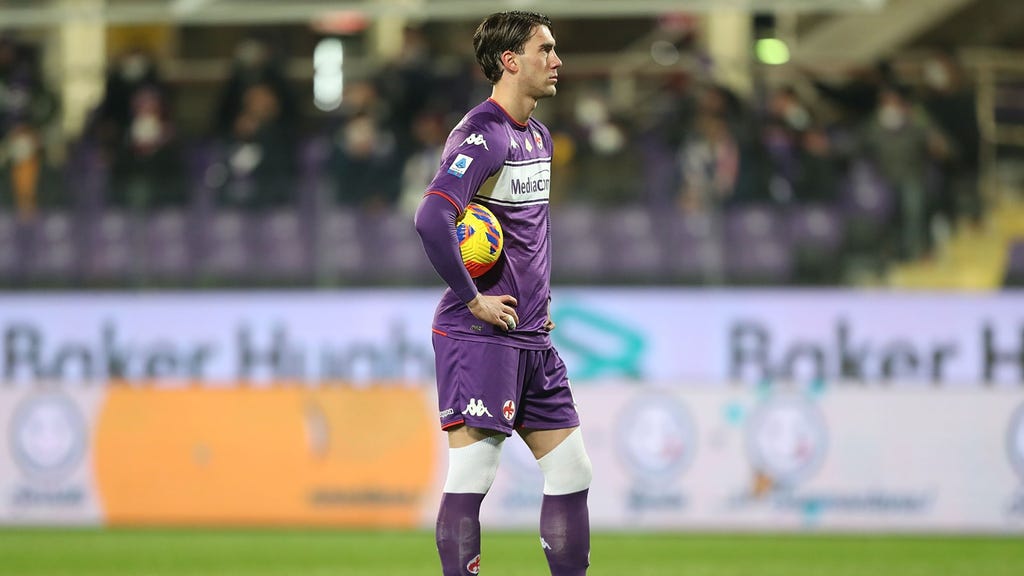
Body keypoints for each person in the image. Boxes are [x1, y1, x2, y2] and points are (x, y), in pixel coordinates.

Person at [413, 11, 592, 576]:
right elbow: (432, 218)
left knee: (572, 471)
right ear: (511, 61)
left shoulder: (538, 135)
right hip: (479, 334)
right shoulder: (483, 135)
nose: (556, 60)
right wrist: (474, 299)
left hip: (529, 334)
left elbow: (529, 233)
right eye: (545, 49)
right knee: (474, 474)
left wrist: (539, 302)